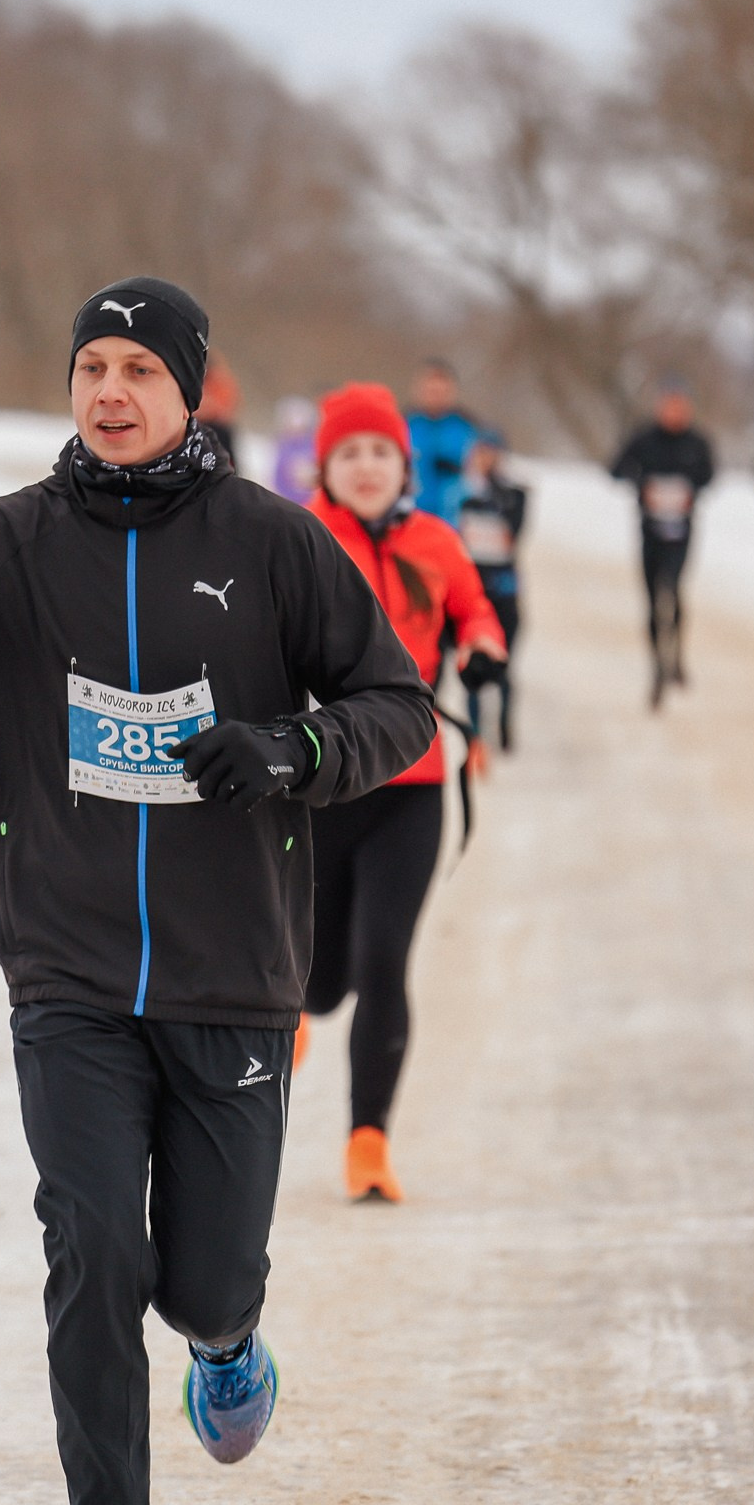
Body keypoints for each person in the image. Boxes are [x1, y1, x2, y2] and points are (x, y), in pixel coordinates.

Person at [0, 277, 433, 1503]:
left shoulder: (272, 542)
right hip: (69, 974)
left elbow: (397, 708)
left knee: (203, 1280)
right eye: (92, 367)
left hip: (233, 973)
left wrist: (291, 751)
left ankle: (228, 1339)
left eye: (139, 369)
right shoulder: (5, 545)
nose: (110, 390)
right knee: (91, 1248)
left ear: (187, 390)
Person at [298, 384, 508, 1202]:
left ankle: (368, 1143)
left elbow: (475, 612)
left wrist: (484, 651)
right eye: (349, 453)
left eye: (380, 452)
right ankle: (296, 1019)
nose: (366, 467)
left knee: (384, 961)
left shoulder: (436, 541)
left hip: (414, 784)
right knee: (317, 981)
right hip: (318, 785)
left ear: (403, 465)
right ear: (327, 467)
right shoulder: (300, 538)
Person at [609, 378, 717, 708]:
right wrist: (642, 484)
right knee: (653, 596)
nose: (675, 413)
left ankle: (677, 654)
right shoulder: (643, 438)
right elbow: (615, 469)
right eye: (669, 405)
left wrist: (689, 490)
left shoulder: (697, 442)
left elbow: (709, 474)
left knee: (673, 588)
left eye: (680, 407)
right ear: (659, 407)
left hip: (681, 531)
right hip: (650, 529)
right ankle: (658, 664)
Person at [455, 433, 528, 759]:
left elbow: (516, 530)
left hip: (504, 594)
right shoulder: (460, 495)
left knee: (504, 665)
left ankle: (505, 726)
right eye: (479, 453)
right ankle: (474, 732)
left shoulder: (514, 495)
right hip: (471, 594)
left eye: (490, 454)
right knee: (470, 667)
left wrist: (491, 487)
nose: (484, 460)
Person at [403, 357, 492, 528]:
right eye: (430, 390)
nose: (435, 396)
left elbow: (484, 476)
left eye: (441, 391)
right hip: (410, 521)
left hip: (456, 523)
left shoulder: (469, 428)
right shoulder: (404, 424)